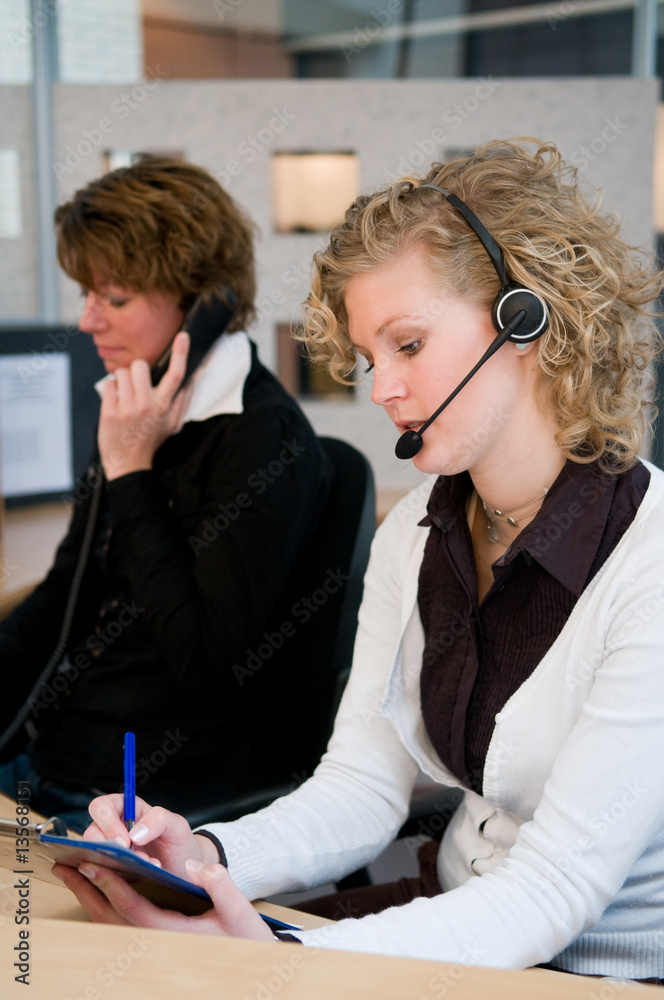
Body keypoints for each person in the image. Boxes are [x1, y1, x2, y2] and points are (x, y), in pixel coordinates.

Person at [54, 139, 664, 982]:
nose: (378, 389)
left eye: (407, 346)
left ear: (527, 318)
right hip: (443, 922)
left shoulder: (650, 563)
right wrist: (199, 853)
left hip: (592, 971)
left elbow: (554, 889)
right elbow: (360, 792)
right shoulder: (417, 528)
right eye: (370, 358)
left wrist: (284, 953)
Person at [0, 155, 332, 832]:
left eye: (114, 298)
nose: (89, 321)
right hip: (57, 756)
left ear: (201, 303)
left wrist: (132, 474)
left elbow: (203, 658)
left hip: (135, 795)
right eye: (87, 295)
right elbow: (65, 599)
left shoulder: (262, 440)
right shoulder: (138, 410)